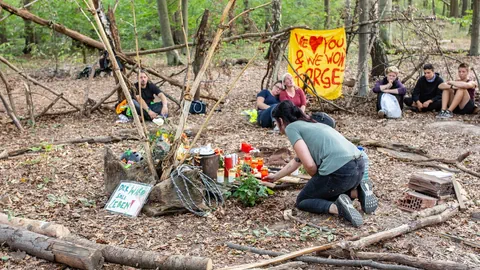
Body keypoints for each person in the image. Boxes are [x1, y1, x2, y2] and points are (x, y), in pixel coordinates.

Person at [264, 101, 378, 227]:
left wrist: (316, 179)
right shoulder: (312, 123)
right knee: (322, 191)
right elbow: (297, 160)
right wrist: (275, 177)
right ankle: (358, 192)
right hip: (359, 166)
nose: (276, 126)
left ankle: (337, 208)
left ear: (281, 120)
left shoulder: (291, 128)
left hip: (341, 171)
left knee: (303, 200)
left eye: (276, 123)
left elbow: (310, 165)